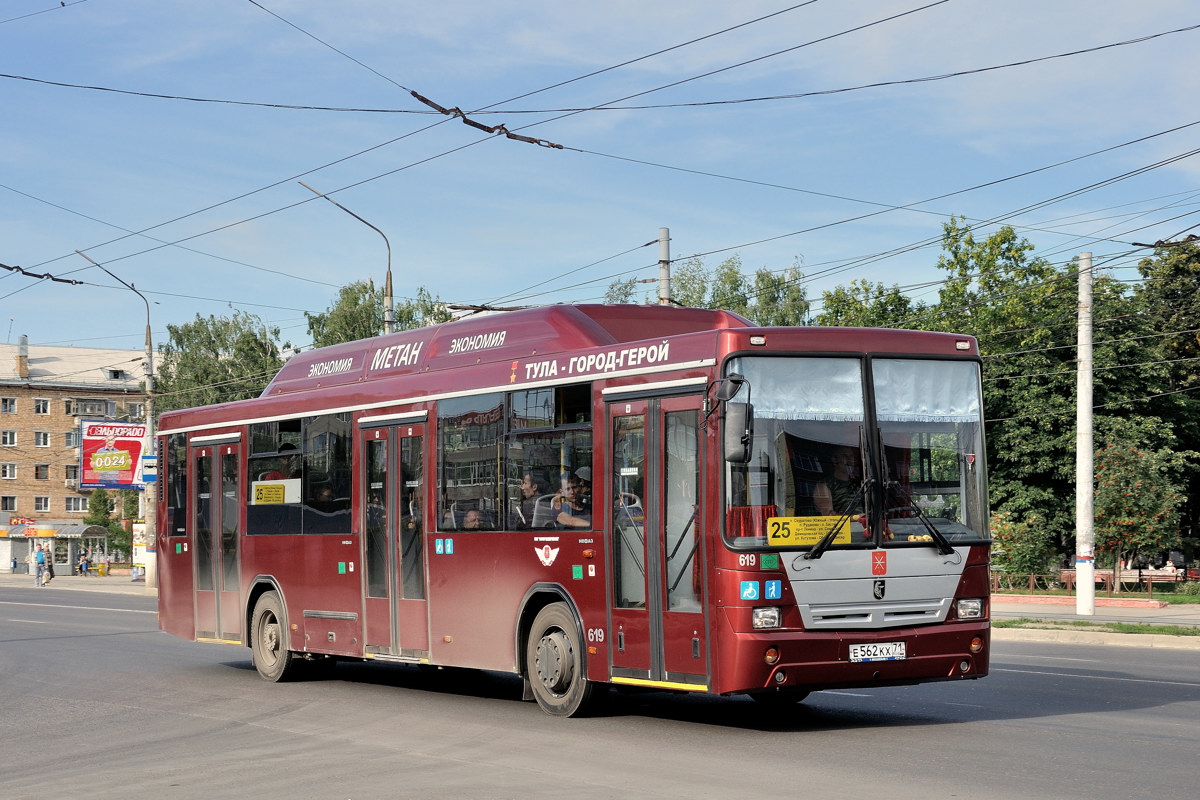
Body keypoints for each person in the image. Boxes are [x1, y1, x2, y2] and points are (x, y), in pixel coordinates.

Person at [814, 446, 862, 516]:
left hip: (869, 526)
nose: (849, 460)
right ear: (835, 460)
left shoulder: (859, 484)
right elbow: (828, 515)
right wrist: (856, 518)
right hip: (844, 526)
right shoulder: (824, 485)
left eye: (851, 456)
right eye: (845, 456)